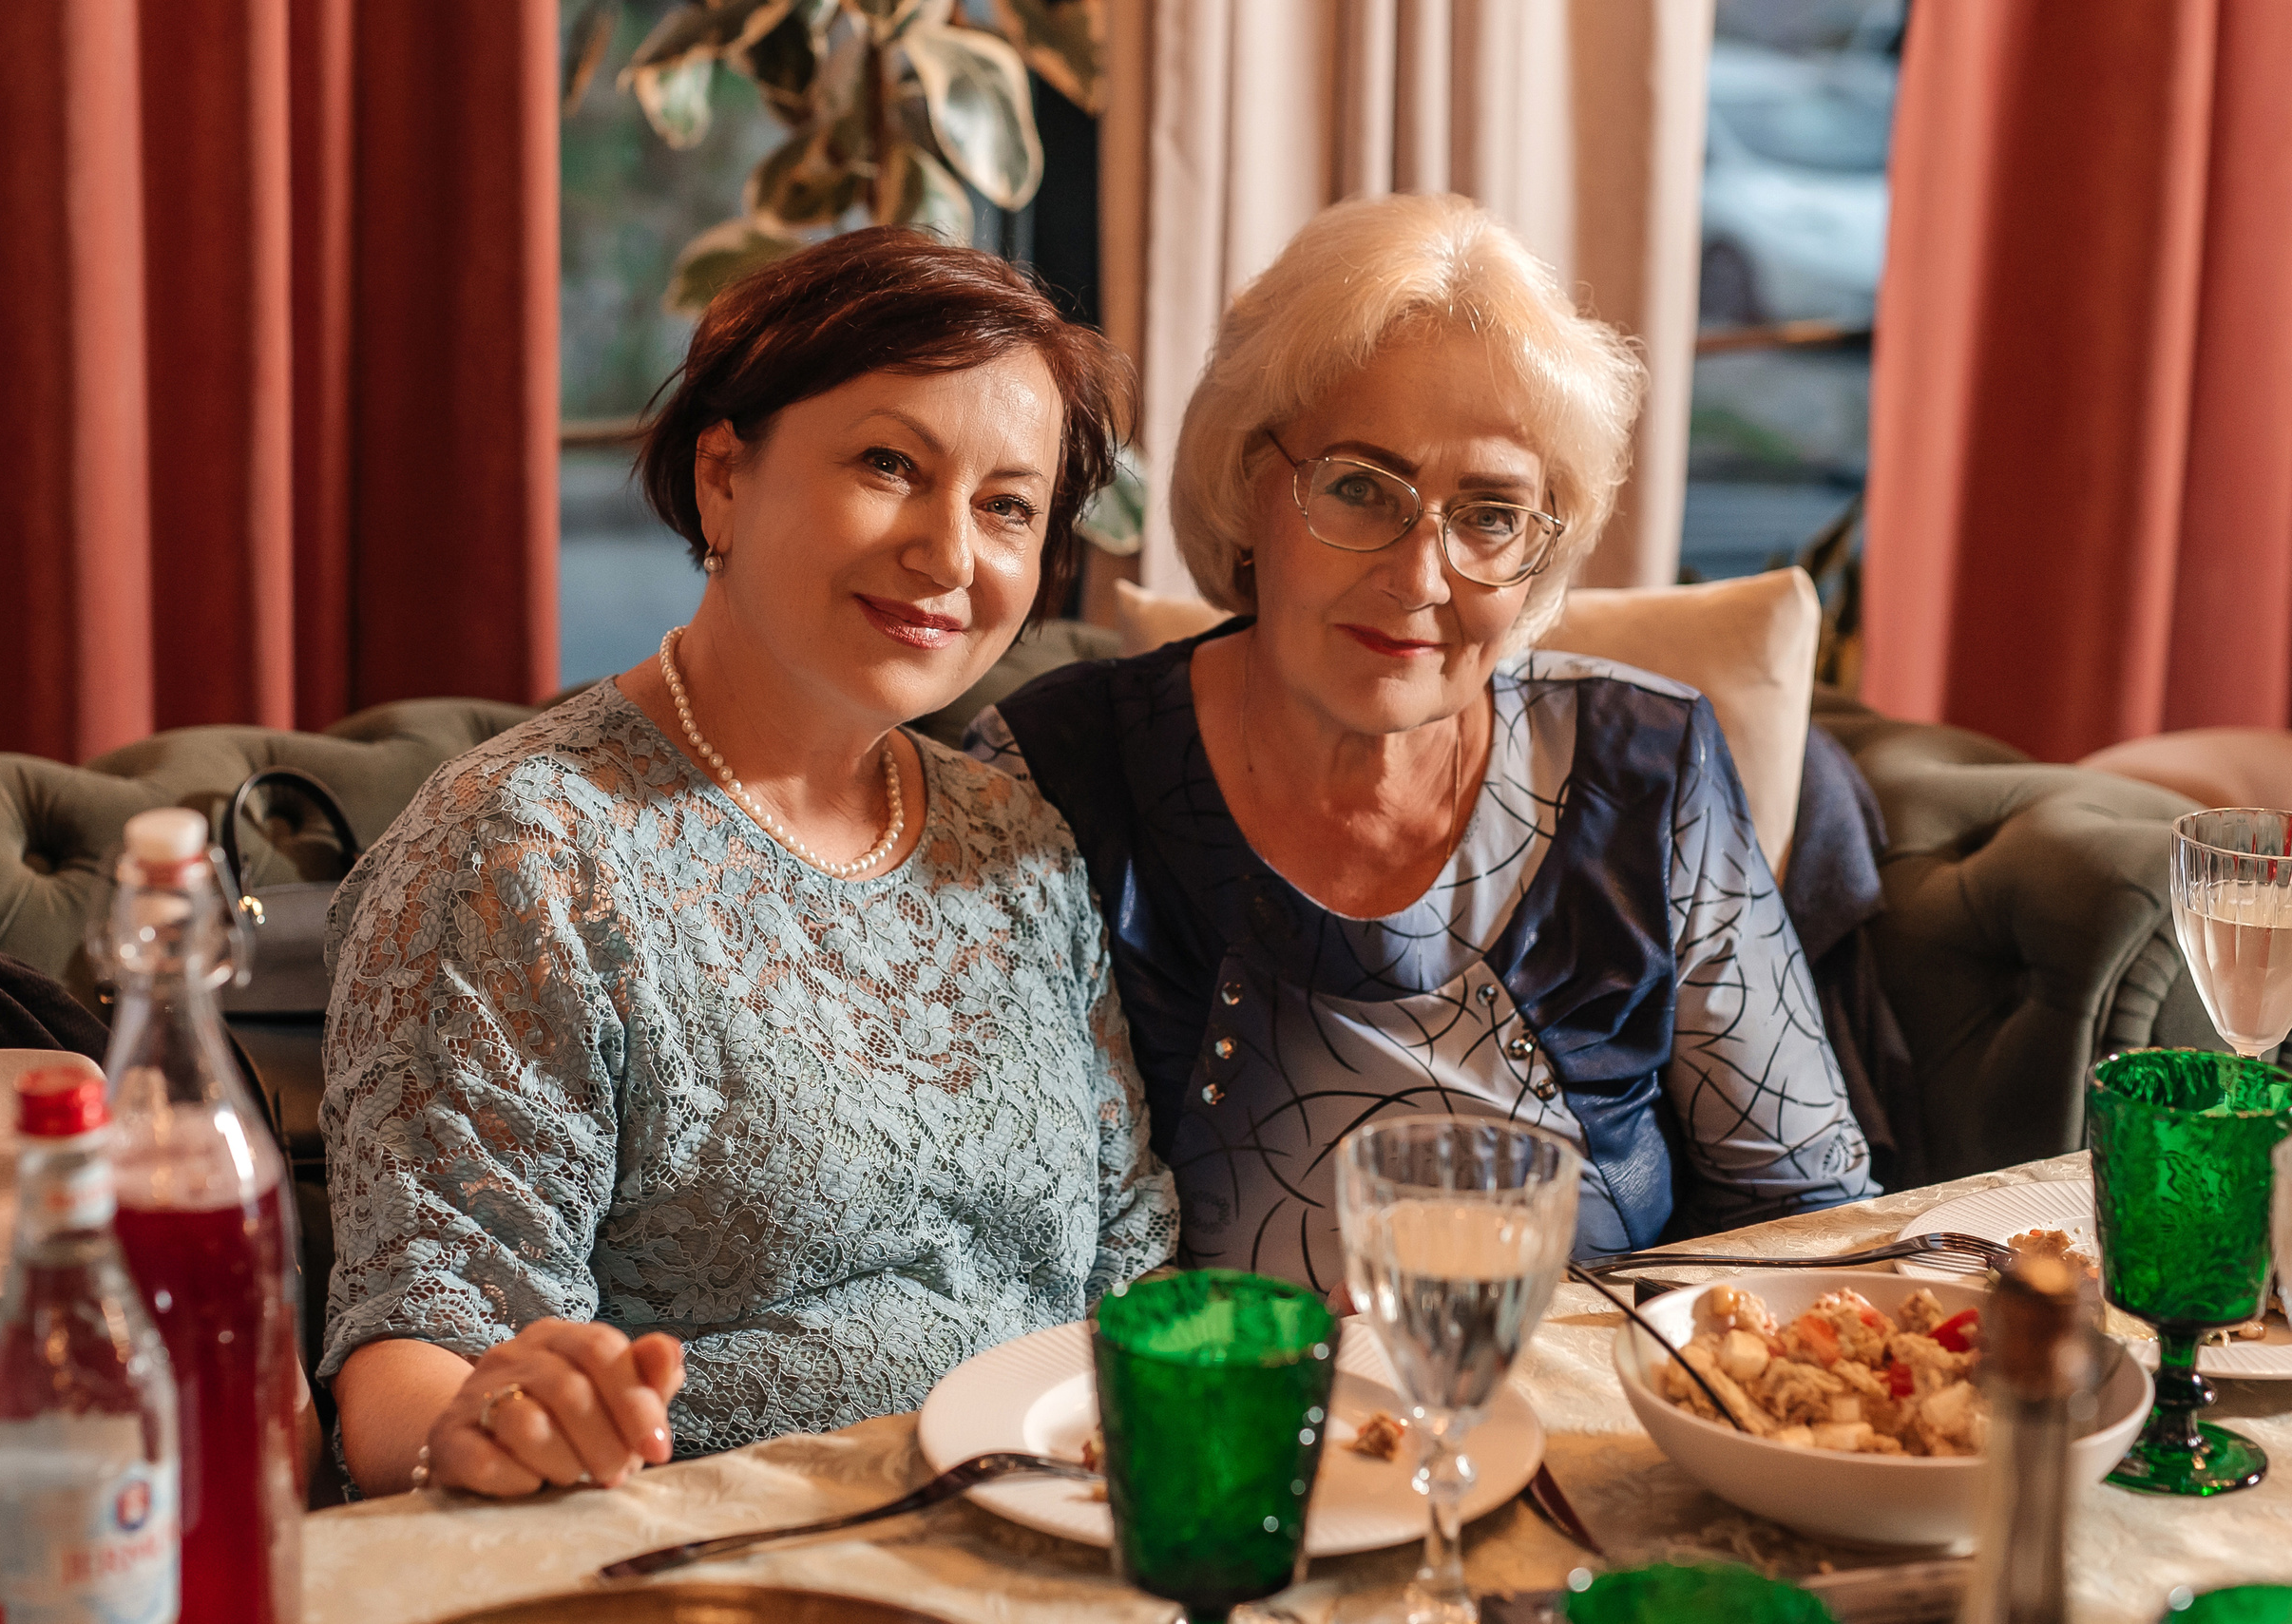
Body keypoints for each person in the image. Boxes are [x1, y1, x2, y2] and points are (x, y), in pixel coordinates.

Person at [320, 229, 1176, 1498]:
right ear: (725, 476)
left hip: (1060, 1540)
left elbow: (1133, 1261)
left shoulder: (1013, 836)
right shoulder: (526, 854)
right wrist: (493, 1418)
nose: (949, 554)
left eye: (1007, 504)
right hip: (713, 1564)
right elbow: (416, 1359)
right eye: (891, 464)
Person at [972, 195, 1876, 1290]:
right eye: (1359, 487)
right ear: (1248, 484)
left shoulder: (1650, 764)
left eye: (1489, 514)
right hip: (1212, 1424)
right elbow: (996, 1243)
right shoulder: (1058, 769)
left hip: (1588, 1413)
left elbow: (1804, 1206)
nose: (1417, 577)